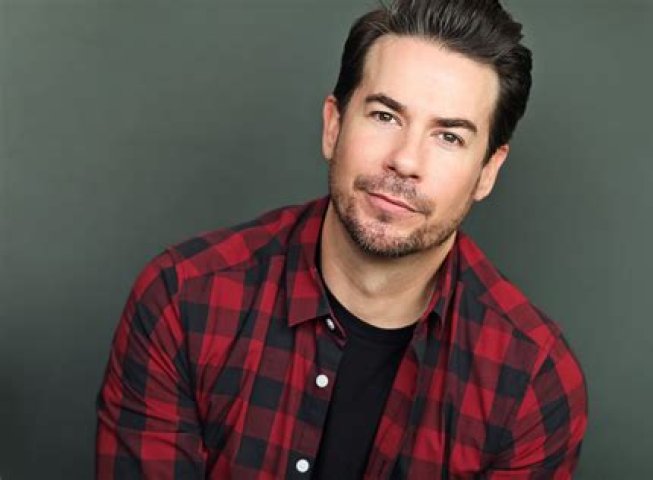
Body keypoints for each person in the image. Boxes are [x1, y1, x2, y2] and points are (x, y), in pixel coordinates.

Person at [95, 0, 588, 478]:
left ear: (487, 172)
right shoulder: (185, 301)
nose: (405, 161)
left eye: (449, 137)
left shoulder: (531, 382)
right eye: (385, 116)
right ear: (333, 126)